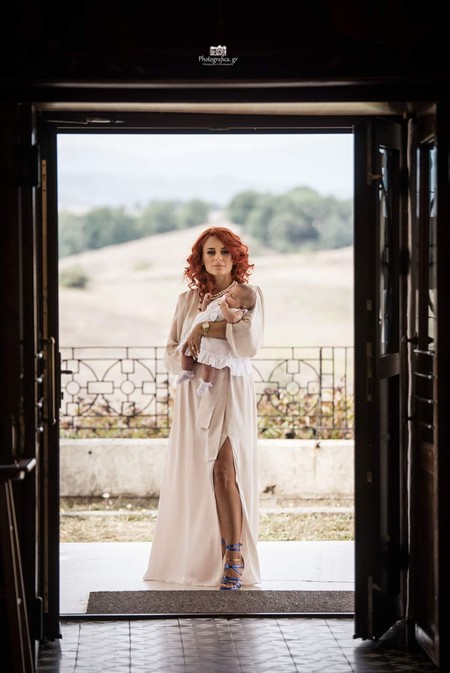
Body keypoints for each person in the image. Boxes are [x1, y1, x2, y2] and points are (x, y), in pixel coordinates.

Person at [143, 226, 264, 590]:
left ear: (236, 257)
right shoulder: (187, 299)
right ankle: (201, 555)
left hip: (230, 389)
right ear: (201, 258)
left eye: (225, 252)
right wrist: (191, 348)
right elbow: (171, 349)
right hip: (194, 390)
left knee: (225, 469)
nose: (218, 258)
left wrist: (205, 329)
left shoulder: (249, 295)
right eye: (210, 252)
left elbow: (248, 344)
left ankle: (234, 555)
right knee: (200, 472)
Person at [176, 282, 257, 396]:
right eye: (228, 292)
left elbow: (232, 319)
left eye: (232, 296)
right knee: (185, 352)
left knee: (208, 363)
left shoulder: (237, 312)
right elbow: (206, 312)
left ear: (241, 306)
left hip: (212, 343)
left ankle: (206, 382)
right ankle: (186, 372)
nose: (227, 295)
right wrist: (205, 302)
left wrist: (224, 308)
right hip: (198, 337)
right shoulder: (218, 302)